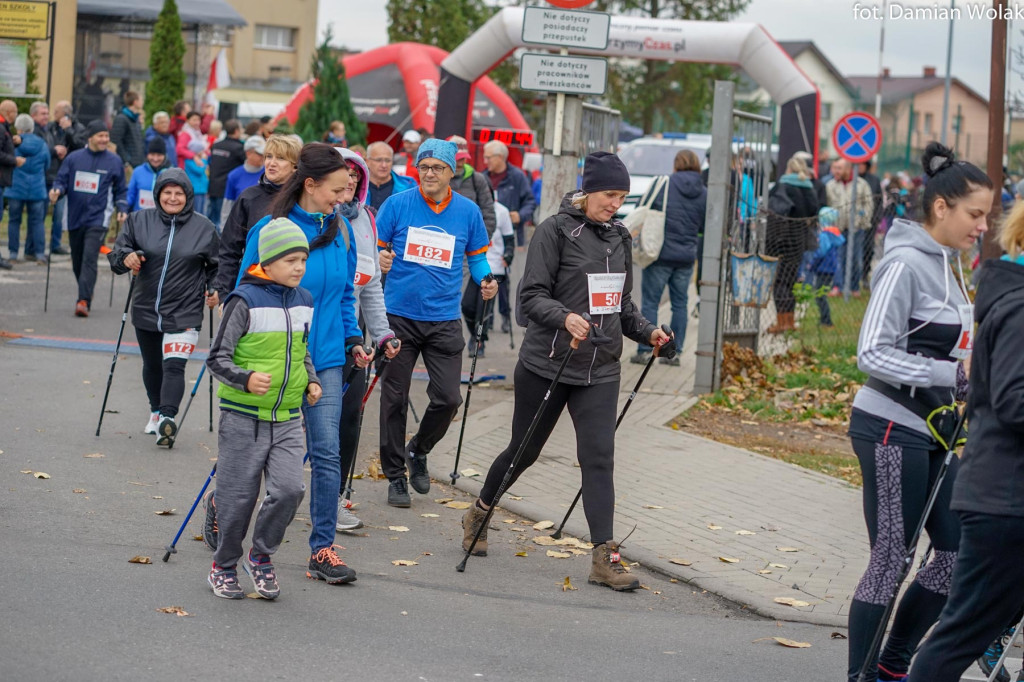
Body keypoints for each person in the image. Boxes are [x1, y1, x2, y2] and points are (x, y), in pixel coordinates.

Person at [460, 152, 672, 591]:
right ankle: (479, 511)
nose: (616, 204)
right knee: (524, 451)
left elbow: (622, 306)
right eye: (610, 195)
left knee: (598, 459)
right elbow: (530, 298)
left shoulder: (619, 237)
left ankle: (604, 558)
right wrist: (564, 317)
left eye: (622, 197)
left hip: (600, 368)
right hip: (548, 363)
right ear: (588, 190)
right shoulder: (554, 231)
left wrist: (649, 332)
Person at [846, 142, 992, 682]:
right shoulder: (905, 263)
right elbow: (871, 351)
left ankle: (892, 664)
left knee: (955, 556)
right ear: (941, 208)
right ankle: (862, 675)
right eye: (975, 214)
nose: (982, 226)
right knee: (891, 559)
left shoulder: (950, 266)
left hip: (935, 430)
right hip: (888, 426)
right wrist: (951, 376)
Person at [236, 142, 368, 585]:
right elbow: (245, 294)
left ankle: (323, 550)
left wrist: (353, 339)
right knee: (255, 453)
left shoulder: (342, 230)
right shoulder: (272, 229)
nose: (343, 197)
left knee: (327, 452)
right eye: (336, 189)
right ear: (310, 184)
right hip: (278, 358)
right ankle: (224, 502)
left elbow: (346, 293)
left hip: (327, 358)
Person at [907, 201, 1024, 682]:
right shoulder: (1019, 308)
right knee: (961, 637)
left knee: (969, 631)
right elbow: (1014, 401)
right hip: (1006, 502)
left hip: (1003, 496)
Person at [375, 138, 498, 508]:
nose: (430, 174)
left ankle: (418, 449)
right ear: (416, 170)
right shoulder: (396, 205)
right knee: (393, 399)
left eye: (437, 168)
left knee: (447, 398)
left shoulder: (468, 211)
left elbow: (476, 259)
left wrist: (487, 279)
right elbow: (377, 248)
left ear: (452, 172)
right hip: (398, 316)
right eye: (424, 167)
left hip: (444, 318)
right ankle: (395, 476)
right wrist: (380, 257)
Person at [204, 217, 318, 600]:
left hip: (287, 418)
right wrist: (246, 378)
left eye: (302, 259)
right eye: (290, 260)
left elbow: (302, 353)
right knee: (238, 499)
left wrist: (312, 380)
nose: (299, 267)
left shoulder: (305, 301)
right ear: (267, 263)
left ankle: (261, 556)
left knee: (289, 490)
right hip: (242, 417)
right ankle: (223, 565)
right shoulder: (244, 300)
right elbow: (217, 358)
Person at [108, 167, 219, 445]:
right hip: (146, 307)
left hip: (185, 309)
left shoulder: (204, 228)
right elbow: (116, 254)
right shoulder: (137, 220)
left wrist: (216, 288)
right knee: (153, 365)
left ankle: (168, 419)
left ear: (188, 196)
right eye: (167, 192)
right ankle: (156, 411)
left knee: (174, 366)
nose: (172, 198)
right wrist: (127, 258)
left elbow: (218, 267)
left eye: (178, 193)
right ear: (158, 194)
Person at [333, 147, 401, 531]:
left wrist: (383, 332)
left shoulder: (366, 221)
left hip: (351, 338)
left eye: (356, 176)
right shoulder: (311, 220)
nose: (352, 181)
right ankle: (277, 491)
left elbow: (370, 286)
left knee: (348, 420)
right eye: (344, 174)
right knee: (293, 425)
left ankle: (336, 497)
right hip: (307, 337)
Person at [630, 149, 706, 365]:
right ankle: (676, 352)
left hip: (659, 254)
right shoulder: (704, 192)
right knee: (680, 304)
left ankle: (646, 349)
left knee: (651, 302)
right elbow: (703, 224)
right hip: (686, 256)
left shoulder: (664, 184)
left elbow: (641, 208)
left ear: (676, 164)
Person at [49, 120, 128, 317]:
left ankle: (83, 300)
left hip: (98, 218)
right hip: (74, 217)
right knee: (77, 260)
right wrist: (57, 190)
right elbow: (61, 180)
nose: (104, 140)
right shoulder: (74, 158)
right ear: (90, 137)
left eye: (106, 136)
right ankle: (86, 290)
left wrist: (122, 207)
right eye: (101, 136)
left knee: (89, 259)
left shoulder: (114, 161)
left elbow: (121, 190)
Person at [213, 134, 300, 300]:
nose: (271, 163)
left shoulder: (303, 200)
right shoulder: (249, 198)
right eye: (268, 156)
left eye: (280, 158)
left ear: (295, 166)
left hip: (296, 293)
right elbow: (229, 250)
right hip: (255, 290)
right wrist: (225, 295)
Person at [764, 154, 820, 334]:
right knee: (791, 281)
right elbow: (814, 211)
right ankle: (790, 321)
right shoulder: (809, 188)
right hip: (799, 240)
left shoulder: (782, 186)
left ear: (789, 168)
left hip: (780, 240)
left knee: (779, 281)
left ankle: (781, 322)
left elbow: (773, 211)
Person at [461, 200, 515, 357]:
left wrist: (509, 255)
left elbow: (509, 239)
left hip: (495, 268)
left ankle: (479, 342)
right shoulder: (472, 210)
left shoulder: (502, 211)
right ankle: (474, 334)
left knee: (483, 310)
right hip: (476, 266)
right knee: (467, 305)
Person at [827, 158, 875, 296]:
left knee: (855, 259)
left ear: (848, 169)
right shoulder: (831, 185)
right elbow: (828, 204)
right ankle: (838, 286)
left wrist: (862, 221)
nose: (836, 171)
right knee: (837, 258)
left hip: (856, 229)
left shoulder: (861, 185)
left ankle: (854, 287)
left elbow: (868, 204)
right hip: (837, 228)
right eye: (835, 168)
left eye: (839, 168)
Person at [6, 114, 49, 264]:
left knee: (14, 221)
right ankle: (39, 254)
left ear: (18, 128)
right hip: (37, 188)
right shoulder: (42, 144)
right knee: (37, 222)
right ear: (32, 127)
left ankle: (12, 254)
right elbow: (47, 164)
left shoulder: (13, 143)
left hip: (16, 187)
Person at [482, 140, 536, 246]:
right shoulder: (482, 177)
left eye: (488, 158)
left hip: (510, 237)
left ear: (500, 157)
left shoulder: (517, 177)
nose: (485, 161)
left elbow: (530, 202)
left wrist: (520, 216)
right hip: (486, 236)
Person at [807, 207, 844, 328]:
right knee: (821, 293)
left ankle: (826, 320)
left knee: (820, 295)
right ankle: (825, 319)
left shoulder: (824, 235)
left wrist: (813, 264)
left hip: (823, 267)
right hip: (830, 268)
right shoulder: (835, 234)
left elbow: (821, 251)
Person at [220, 136, 265, 226]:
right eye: (260, 154)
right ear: (248, 154)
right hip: (241, 226)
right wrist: (224, 228)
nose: (263, 157)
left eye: (265, 154)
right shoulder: (234, 176)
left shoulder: (269, 174)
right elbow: (228, 204)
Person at [207, 119, 245, 225]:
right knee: (221, 221)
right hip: (226, 189)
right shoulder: (239, 148)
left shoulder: (216, 145)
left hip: (213, 186)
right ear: (236, 131)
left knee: (211, 219)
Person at [365, 141, 415, 212]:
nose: (384, 165)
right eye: (379, 160)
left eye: (388, 160)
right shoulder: (357, 187)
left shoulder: (408, 187)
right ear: (367, 162)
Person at [126, 138, 171, 212]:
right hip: (139, 218)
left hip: (161, 220)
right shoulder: (138, 171)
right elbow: (130, 195)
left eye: (159, 155)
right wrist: (123, 209)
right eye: (152, 155)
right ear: (147, 155)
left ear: (165, 156)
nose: (155, 159)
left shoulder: (170, 173)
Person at [110, 91, 145, 171]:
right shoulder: (121, 118)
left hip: (137, 164)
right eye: (141, 100)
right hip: (127, 166)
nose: (142, 102)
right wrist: (126, 161)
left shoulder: (136, 119)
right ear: (135, 102)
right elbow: (116, 141)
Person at [0, 101, 15, 270]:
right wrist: (14, 160)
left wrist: (14, 143)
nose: (16, 115)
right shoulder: (1, 127)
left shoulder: (5, 127)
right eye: (15, 111)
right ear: (7, 112)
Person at [184, 144, 210, 217]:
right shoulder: (189, 161)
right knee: (197, 213)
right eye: (201, 150)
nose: (203, 152)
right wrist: (204, 160)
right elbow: (199, 171)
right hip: (196, 190)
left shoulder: (198, 160)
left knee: (202, 212)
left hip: (202, 190)